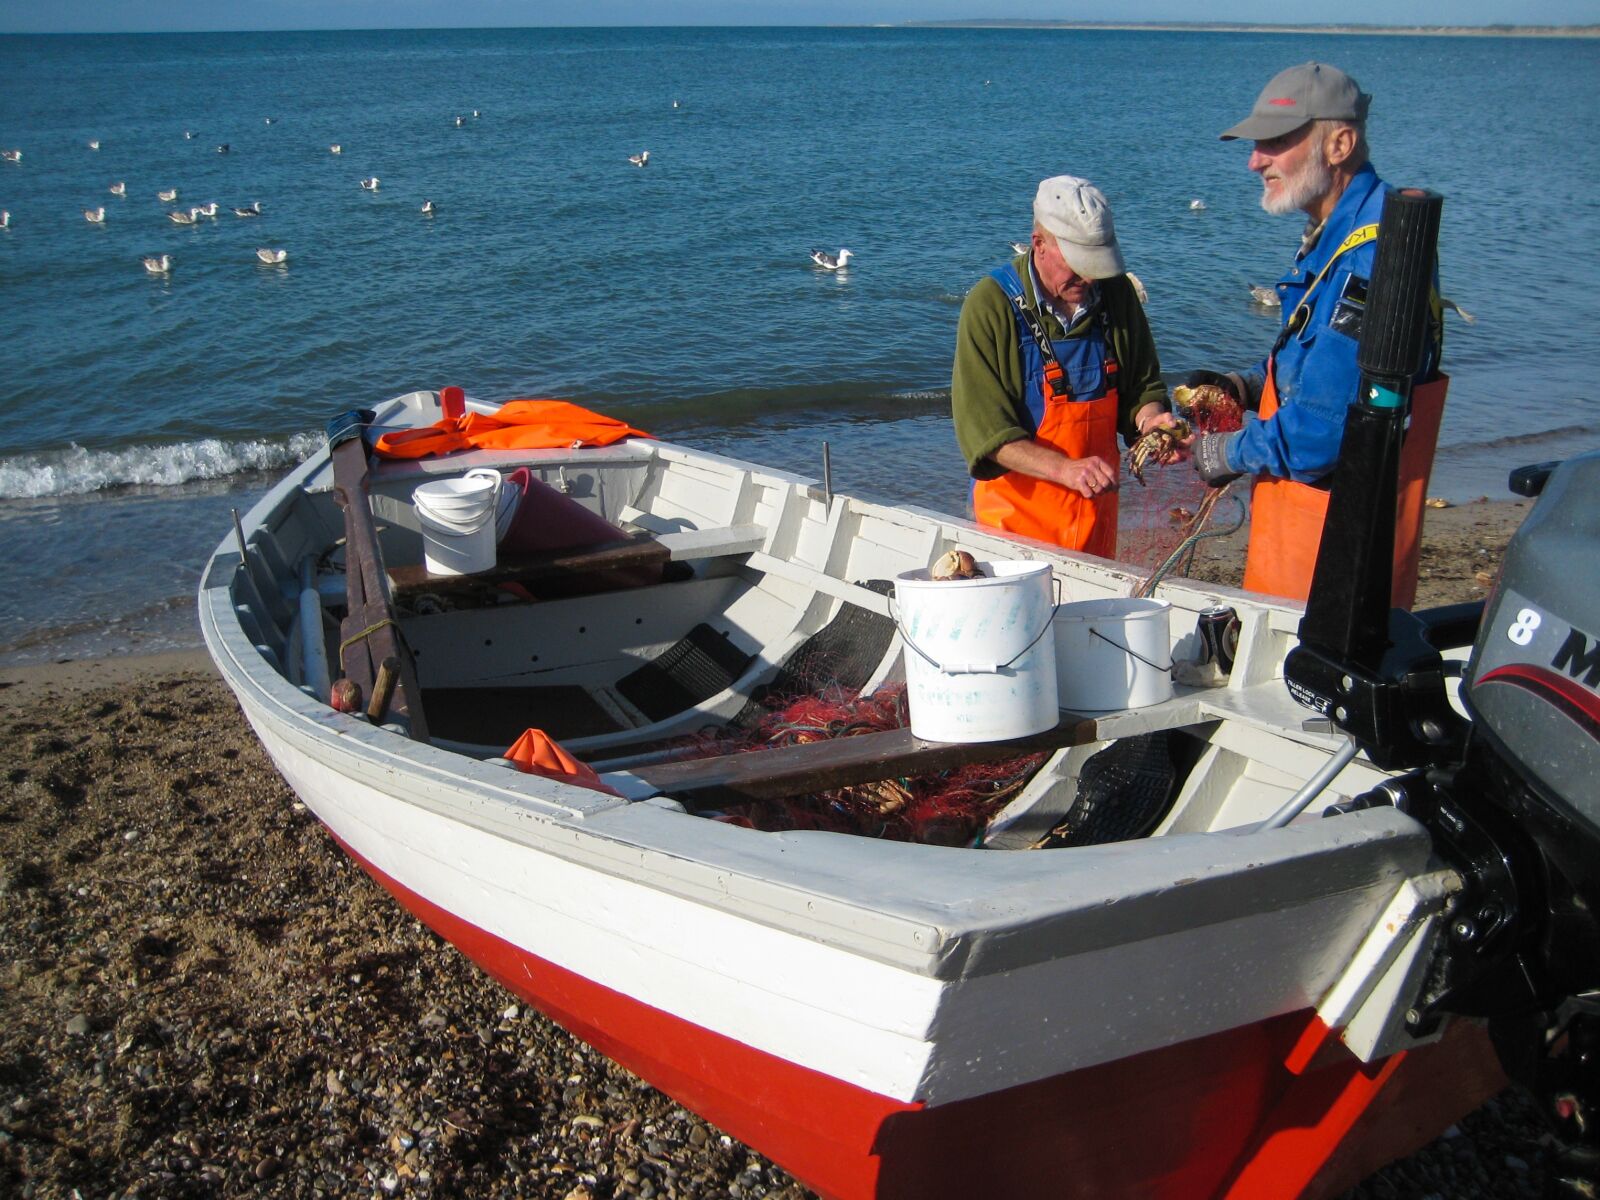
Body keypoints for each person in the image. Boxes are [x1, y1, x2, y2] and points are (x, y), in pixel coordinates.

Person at [1186, 62, 1445, 606]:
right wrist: (1247, 384)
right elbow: (1326, 367)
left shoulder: (1375, 253)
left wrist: (1226, 451)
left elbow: (1323, 434)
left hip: (1336, 556)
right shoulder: (1336, 233)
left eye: (1275, 142)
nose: (1255, 161)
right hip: (1303, 539)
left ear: (1340, 144)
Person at [952, 176, 1176, 557]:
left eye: (1098, 264)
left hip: (1095, 530)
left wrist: (1150, 421)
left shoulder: (1115, 292)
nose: (1089, 277)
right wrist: (1065, 470)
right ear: (1039, 244)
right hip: (1011, 535)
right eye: (1079, 263)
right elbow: (986, 436)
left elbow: (1142, 388)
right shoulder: (990, 306)